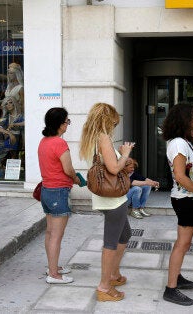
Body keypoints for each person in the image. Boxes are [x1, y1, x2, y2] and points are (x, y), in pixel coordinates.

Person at [80, 102, 134, 302]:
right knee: (111, 241)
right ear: (107, 120)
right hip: (113, 200)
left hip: (109, 198)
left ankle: (113, 274)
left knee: (125, 234)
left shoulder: (93, 138)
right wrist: (126, 153)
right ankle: (104, 286)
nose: (114, 126)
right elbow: (113, 168)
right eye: (113, 122)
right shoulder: (103, 138)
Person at [161, 102, 193, 306]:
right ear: (183, 120)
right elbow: (180, 176)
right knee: (182, 243)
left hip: (189, 198)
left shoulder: (185, 141)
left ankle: (176, 277)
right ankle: (171, 288)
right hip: (185, 199)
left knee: (185, 242)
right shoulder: (178, 143)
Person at [39, 107, 82, 284]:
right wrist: (76, 179)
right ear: (60, 124)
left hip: (46, 191)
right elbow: (68, 169)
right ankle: (54, 275)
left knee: (50, 232)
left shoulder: (44, 141)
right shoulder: (59, 143)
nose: (67, 125)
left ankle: (53, 267)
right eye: (67, 121)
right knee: (56, 235)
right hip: (58, 192)